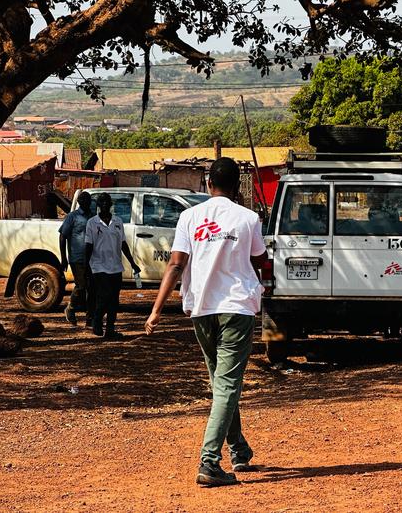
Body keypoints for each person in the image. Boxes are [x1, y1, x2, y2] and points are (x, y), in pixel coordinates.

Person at [145, 158, 267, 487]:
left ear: (208, 183)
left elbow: (175, 264)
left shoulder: (190, 216)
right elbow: (261, 259)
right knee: (226, 386)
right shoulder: (248, 218)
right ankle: (209, 462)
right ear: (238, 186)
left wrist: (156, 309)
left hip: (201, 308)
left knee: (221, 384)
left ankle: (239, 450)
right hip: (236, 309)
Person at [85, 193, 141, 340]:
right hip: (98, 266)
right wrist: (86, 266)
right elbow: (88, 246)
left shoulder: (118, 222)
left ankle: (110, 329)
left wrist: (132, 263)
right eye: (101, 202)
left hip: (116, 266)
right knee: (105, 295)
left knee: (114, 300)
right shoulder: (92, 223)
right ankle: (97, 320)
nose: (104, 204)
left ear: (111, 205)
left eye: (107, 202)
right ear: (98, 205)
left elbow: (123, 243)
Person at [59, 191, 93, 326]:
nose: (86, 202)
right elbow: (63, 236)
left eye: (88, 200)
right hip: (77, 258)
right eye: (83, 200)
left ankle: (90, 318)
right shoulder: (72, 217)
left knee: (92, 288)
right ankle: (71, 308)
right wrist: (63, 258)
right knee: (81, 286)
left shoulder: (93, 217)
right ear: (79, 202)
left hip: (92, 258)